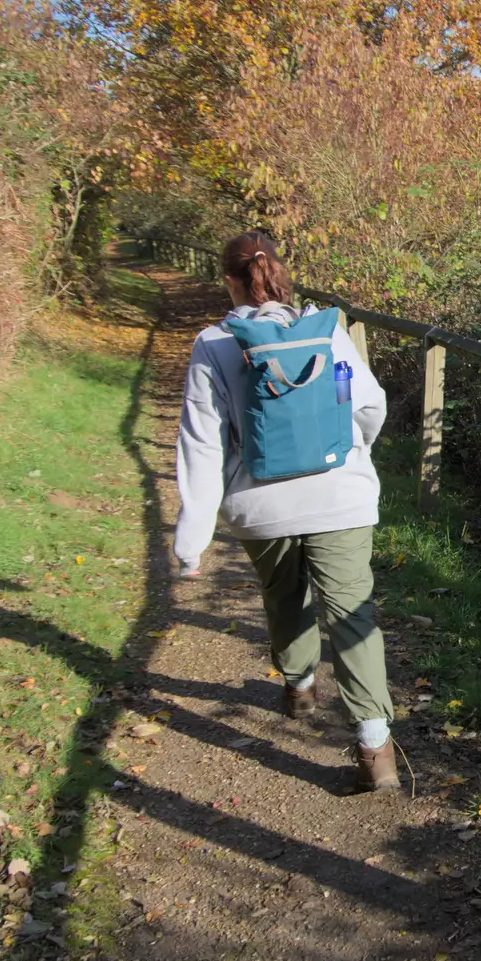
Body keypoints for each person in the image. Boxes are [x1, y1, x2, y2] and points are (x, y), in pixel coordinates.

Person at [172, 231, 398, 792]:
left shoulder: (213, 344)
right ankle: (376, 749)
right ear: (281, 272)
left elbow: (203, 443)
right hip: (341, 496)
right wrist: (352, 454)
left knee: (283, 592)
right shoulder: (326, 330)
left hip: (260, 503)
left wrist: (191, 539)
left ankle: (299, 684)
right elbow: (370, 405)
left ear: (229, 281)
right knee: (352, 613)